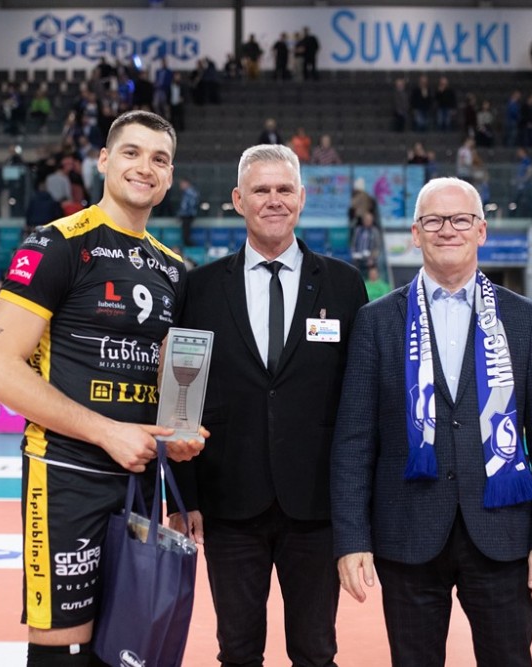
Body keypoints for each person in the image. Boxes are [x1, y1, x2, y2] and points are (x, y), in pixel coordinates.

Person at [0, 110, 205, 667]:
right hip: (65, 480)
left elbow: (170, 384)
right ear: (102, 160)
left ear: (170, 176)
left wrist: (180, 437)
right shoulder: (57, 243)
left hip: (142, 487)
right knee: (65, 651)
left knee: (128, 649)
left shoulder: (175, 269)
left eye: (160, 159)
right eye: (131, 152)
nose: (145, 167)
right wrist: (107, 432)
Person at [331, 177, 532, 667]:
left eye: (460, 219)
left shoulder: (523, 319)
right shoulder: (377, 321)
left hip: (502, 536)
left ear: (481, 230)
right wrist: (352, 539)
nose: (447, 230)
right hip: (407, 536)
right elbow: (354, 440)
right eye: (434, 220)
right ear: (415, 233)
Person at [169, 144, 368, 667]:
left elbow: (360, 402)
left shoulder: (344, 285)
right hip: (229, 502)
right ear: (239, 200)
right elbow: (181, 399)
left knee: (316, 652)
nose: (273, 200)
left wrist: (357, 505)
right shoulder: (199, 288)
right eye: (261, 190)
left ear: (301, 198)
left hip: (317, 505)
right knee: (237, 652)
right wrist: (183, 497)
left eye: (284, 189)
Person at [176, 178, 200, 246]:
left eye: (182, 184)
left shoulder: (190, 193)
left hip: (187, 215)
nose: (180, 186)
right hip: (187, 215)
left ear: (187, 183)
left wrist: (182, 213)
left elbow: (188, 205)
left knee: (186, 233)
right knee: (185, 232)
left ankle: (189, 245)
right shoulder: (188, 192)